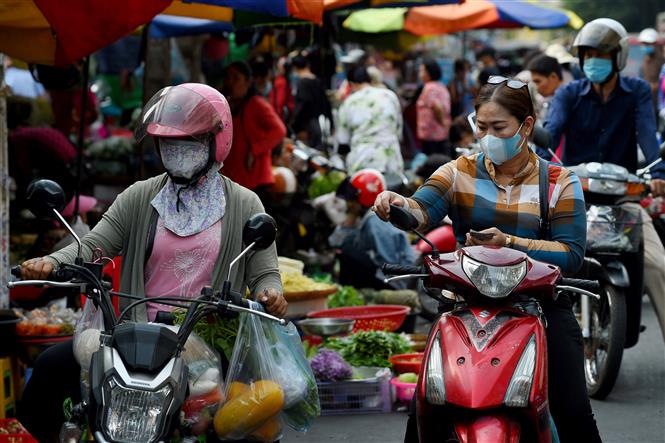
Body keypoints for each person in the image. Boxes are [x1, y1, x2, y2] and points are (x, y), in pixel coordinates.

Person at [17, 83, 287, 442]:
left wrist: (271, 294)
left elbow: (265, 272)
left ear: (217, 141)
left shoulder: (245, 204)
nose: (177, 151)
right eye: (169, 143)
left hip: (204, 341)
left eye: (189, 142)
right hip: (133, 336)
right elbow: (94, 245)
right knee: (50, 371)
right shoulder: (140, 196)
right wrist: (50, 262)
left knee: (231, 426)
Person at [375, 76, 601, 443]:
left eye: (499, 127)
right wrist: (396, 203)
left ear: (526, 126)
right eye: (481, 127)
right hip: (465, 305)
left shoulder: (561, 182)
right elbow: (421, 209)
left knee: (573, 411)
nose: (488, 136)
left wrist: (509, 243)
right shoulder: (458, 171)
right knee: (425, 411)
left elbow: (571, 255)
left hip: (540, 306)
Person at [543, 18, 665, 340]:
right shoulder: (569, 93)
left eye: (601, 54)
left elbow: (648, 137)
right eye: (587, 54)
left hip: (623, 199)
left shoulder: (636, 91)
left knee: (658, 266)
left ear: (618, 57)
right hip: (571, 197)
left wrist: (656, 173)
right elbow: (550, 134)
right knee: (536, 259)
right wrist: (537, 165)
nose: (592, 61)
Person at [329, 169, 414, 289]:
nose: (348, 203)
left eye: (352, 199)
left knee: (348, 252)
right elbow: (335, 241)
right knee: (347, 248)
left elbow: (389, 262)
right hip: (389, 272)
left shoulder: (375, 222)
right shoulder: (367, 217)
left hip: (395, 281)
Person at [220, 61, 287, 193]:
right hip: (235, 179)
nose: (230, 82)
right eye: (228, 77)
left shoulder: (257, 104)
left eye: (236, 78)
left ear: (248, 82)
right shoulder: (227, 105)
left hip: (255, 178)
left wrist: (255, 150)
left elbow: (280, 131)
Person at [336, 66, 404, 175]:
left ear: (351, 84)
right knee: (391, 191)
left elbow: (343, 139)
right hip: (391, 159)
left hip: (363, 160)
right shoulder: (389, 95)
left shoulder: (349, 102)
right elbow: (398, 129)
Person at [291, 54, 333, 148]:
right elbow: (326, 103)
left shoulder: (302, 83)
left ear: (295, 68)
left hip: (308, 126)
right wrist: (331, 122)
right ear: (308, 65)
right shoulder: (318, 80)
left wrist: (295, 125)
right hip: (320, 123)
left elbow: (302, 106)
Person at [416, 59, 452, 157]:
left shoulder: (429, 88)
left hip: (433, 134)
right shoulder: (440, 86)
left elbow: (437, 107)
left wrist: (442, 122)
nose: (420, 74)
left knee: (432, 162)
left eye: (422, 71)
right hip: (440, 133)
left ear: (428, 72)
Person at [528, 54, 564, 121]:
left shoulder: (568, 102)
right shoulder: (547, 101)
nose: (536, 87)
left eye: (538, 81)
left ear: (553, 77)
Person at [638, 27, 664, 113]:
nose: (645, 46)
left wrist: (653, 86)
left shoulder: (661, 60)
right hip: (648, 101)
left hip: (659, 103)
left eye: (648, 44)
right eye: (643, 43)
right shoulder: (645, 59)